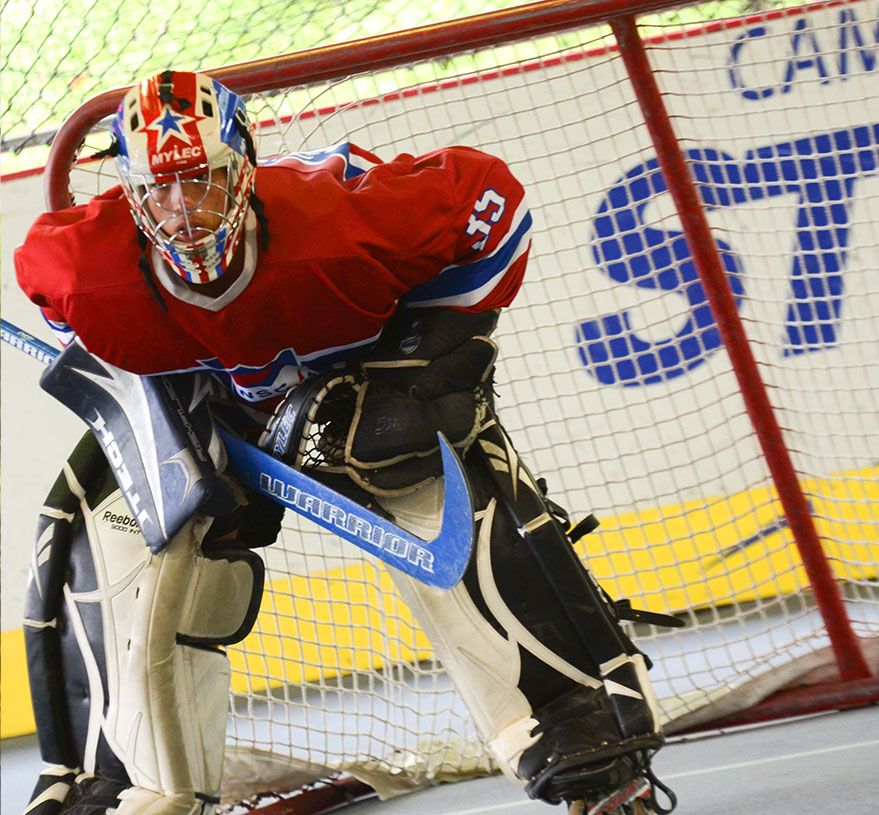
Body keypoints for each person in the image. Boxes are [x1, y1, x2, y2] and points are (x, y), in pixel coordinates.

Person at [15, 70, 674, 815]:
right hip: (211, 402)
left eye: (202, 181)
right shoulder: (85, 269)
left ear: (244, 170)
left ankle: (579, 738)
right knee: (108, 534)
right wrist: (182, 409)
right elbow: (78, 323)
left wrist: (421, 366)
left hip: (354, 375)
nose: (180, 210)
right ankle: (125, 787)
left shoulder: (343, 226)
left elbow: (495, 205)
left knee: (419, 466)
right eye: (159, 189)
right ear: (130, 192)